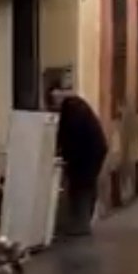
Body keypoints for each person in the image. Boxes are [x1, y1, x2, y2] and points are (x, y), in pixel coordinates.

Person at [47, 85, 109, 237]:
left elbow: (70, 136)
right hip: (94, 150)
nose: (53, 105)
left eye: (54, 100)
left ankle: (80, 225)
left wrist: (63, 155)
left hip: (88, 153)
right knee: (86, 184)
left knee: (81, 185)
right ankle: (83, 222)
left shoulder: (72, 109)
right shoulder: (76, 105)